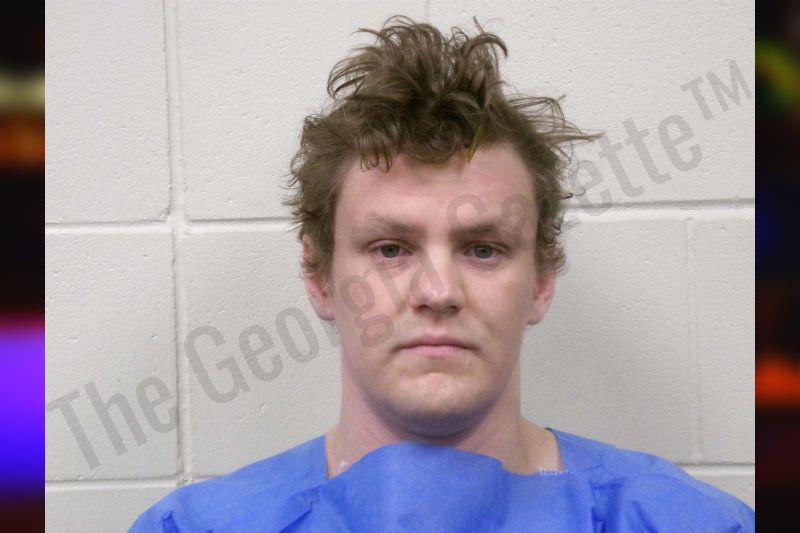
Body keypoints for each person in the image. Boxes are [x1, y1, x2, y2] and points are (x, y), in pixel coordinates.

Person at [131, 16, 755, 532]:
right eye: (389, 250)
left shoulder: (684, 522)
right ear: (319, 279)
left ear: (541, 282)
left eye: (483, 249)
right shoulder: (196, 528)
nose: (437, 292)